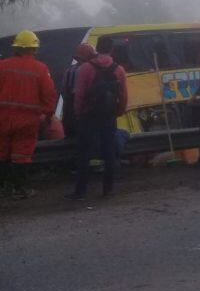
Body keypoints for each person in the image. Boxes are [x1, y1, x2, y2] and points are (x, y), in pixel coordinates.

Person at [67, 36, 128, 199]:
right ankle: (108, 189)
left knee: (84, 154)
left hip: (88, 116)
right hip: (108, 117)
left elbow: (79, 95)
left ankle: (80, 191)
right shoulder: (119, 70)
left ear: (97, 48)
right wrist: (119, 111)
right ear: (112, 49)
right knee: (109, 152)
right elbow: (123, 95)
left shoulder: (86, 68)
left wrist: (78, 113)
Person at [0, 30, 57, 199]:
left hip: (2, 118)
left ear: (16, 47)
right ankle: (20, 189)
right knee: (21, 155)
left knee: (1, 153)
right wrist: (48, 115)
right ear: (34, 49)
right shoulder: (40, 69)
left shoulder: (2, 65)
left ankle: (3, 188)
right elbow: (49, 94)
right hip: (27, 120)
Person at [61, 43, 97, 138]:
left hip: (69, 116)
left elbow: (64, 93)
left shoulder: (68, 71)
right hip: (85, 116)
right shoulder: (90, 71)